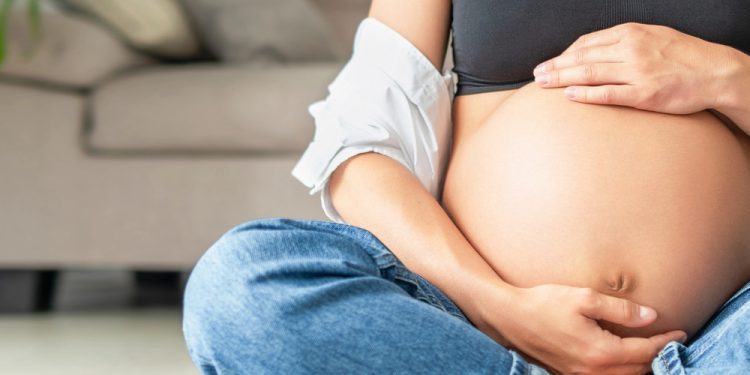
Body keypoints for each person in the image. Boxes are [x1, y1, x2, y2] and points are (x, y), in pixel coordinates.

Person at [183, 1, 750, 373]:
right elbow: (358, 145)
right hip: (474, 329)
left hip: (727, 333)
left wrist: (726, 78)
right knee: (241, 285)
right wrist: (497, 307)